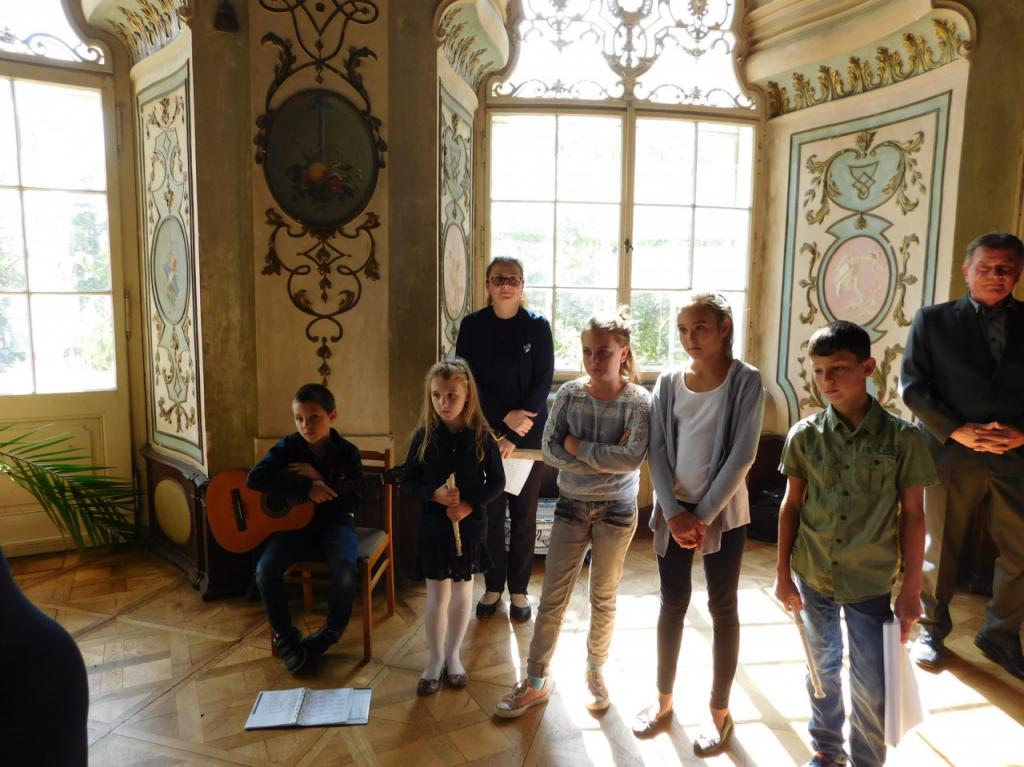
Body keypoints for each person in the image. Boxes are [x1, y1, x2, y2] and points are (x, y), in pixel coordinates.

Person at [775, 321, 937, 767]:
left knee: (871, 680)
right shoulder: (804, 435)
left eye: (839, 369)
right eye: (818, 370)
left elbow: (915, 515)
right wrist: (782, 574)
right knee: (820, 667)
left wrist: (911, 589)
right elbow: (791, 506)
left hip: (870, 582)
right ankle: (827, 749)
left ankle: (867, 759)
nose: (826, 380)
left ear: (867, 368)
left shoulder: (903, 439)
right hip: (814, 576)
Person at [494, 309, 650, 718]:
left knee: (604, 595)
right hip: (571, 505)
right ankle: (535, 678)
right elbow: (550, 450)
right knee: (553, 596)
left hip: (617, 509)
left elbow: (631, 458)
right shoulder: (569, 394)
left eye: (604, 352)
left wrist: (578, 447)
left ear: (623, 353)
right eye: (587, 351)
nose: (593, 360)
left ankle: (595, 670)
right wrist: (604, 457)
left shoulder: (638, 401)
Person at [632, 293, 765, 756]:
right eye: (684, 330)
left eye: (701, 327)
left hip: (722, 513)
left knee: (723, 607)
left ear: (724, 327)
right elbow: (657, 450)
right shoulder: (669, 382)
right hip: (674, 510)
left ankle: (719, 712)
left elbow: (743, 455)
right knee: (672, 603)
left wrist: (702, 516)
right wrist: (674, 513)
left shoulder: (746, 381)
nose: (691, 338)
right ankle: (663, 701)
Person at [900, 231, 1024, 680]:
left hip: (1016, 457)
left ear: (1018, 273)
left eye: (1005, 268)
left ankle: (1000, 635)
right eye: (986, 267)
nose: (996, 275)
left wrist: (1022, 435)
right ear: (966, 271)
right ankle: (930, 630)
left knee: (1021, 551)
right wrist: (957, 430)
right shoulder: (932, 320)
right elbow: (913, 387)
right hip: (949, 453)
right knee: (939, 549)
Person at [456, 256, 554, 621]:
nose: (506, 285)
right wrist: (500, 422)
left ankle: (519, 590)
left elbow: (542, 383)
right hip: (484, 433)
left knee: (525, 516)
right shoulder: (472, 326)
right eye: (498, 278)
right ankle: (494, 586)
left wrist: (513, 432)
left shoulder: (537, 327)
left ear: (522, 285)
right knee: (491, 514)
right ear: (487, 285)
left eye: (513, 279)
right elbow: (466, 380)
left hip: (527, 437)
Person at [401, 359, 506, 694]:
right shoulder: (423, 437)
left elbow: (497, 482)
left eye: (451, 396)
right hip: (434, 528)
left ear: (467, 396)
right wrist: (433, 494)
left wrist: (469, 504)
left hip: (470, 526)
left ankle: (453, 656)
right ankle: (434, 660)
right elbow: (408, 482)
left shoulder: (482, 437)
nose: (443, 403)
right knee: (436, 595)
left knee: (462, 593)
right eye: (436, 395)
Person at [249, 383, 363, 674]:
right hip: (294, 526)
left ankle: (330, 633)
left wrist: (319, 477)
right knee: (265, 569)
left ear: (332, 416)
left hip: (335, 522)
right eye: (299, 418)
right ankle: (286, 638)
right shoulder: (288, 447)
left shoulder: (348, 453)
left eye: (314, 417)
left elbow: (354, 499)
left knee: (345, 571)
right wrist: (305, 488)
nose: (306, 425)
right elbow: (255, 478)